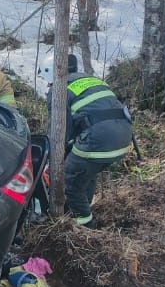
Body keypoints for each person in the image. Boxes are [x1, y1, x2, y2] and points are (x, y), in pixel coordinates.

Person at [57, 53, 132, 227]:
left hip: (100, 140)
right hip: (123, 137)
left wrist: (56, 156)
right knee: (86, 172)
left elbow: (60, 132)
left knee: (71, 177)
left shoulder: (59, 89)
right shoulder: (92, 80)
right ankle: (84, 208)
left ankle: (83, 226)